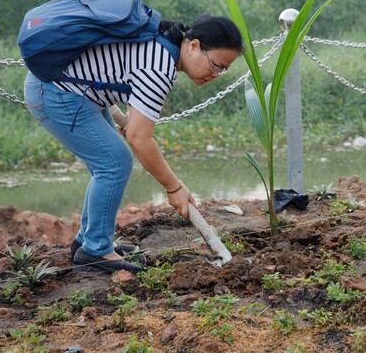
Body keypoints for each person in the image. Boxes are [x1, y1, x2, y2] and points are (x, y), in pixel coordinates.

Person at [23, 15, 244, 272]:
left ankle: (91, 240)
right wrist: (174, 188)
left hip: (71, 89)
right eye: (216, 65)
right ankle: (95, 251)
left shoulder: (163, 45)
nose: (216, 74)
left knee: (109, 163)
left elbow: (109, 70)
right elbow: (140, 139)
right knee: (114, 163)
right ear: (194, 45)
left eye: (223, 70)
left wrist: (121, 118)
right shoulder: (159, 67)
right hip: (56, 92)